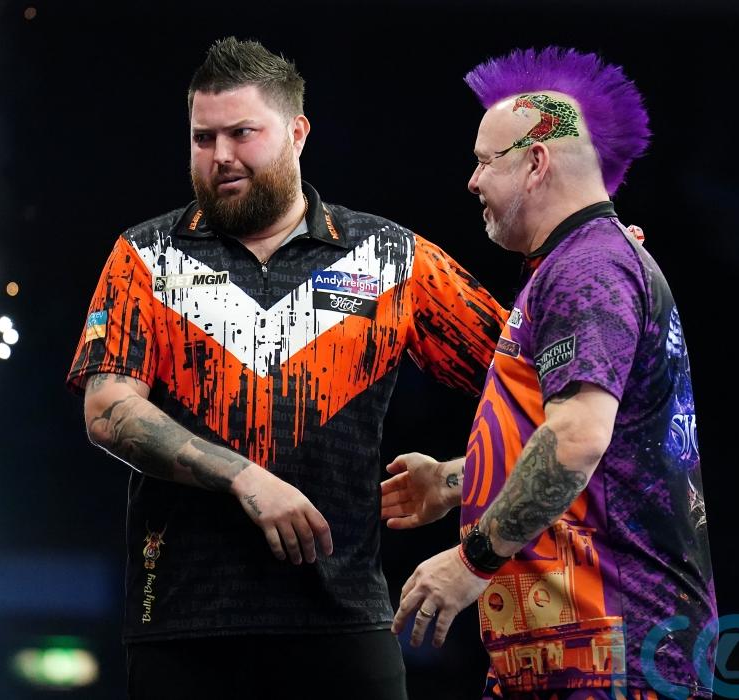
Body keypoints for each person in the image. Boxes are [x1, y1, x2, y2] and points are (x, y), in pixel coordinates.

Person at [66, 37, 505, 699]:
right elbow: (107, 412)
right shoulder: (144, 256)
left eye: (242, 133)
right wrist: (243, 477)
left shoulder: (390, 257)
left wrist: (457, 477)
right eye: (203, 138)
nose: (220, 156)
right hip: (183, 629)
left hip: (345, 625)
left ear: (297, 133)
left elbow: (536, 390)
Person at [382, 47, 716, 700]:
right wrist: (455, 480)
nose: (471, 181)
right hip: (571, 660)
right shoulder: (579, 266)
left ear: (536, 163)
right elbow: (593, 448)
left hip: (614, 660)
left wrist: (472, 561)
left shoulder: (589, 269)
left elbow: (577, 439)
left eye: (485, 161)